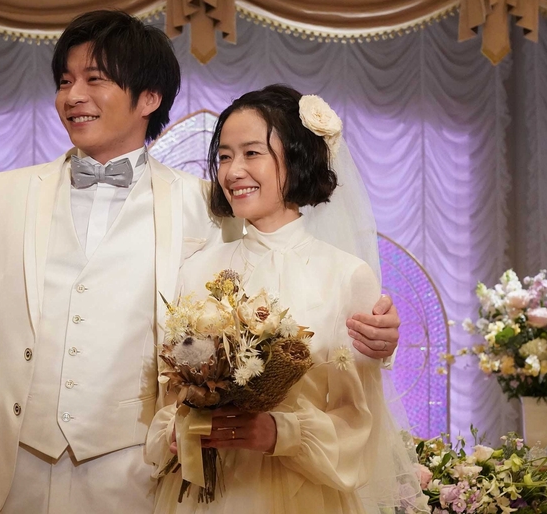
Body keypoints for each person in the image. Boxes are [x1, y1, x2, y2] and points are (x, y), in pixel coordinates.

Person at [0, 12, 401, 514]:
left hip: (139, 480)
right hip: (8, 472)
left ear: (149, 97)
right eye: (64, 81)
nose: (73, 96)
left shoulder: (209, 204)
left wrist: (378, 334)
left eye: (94, 79)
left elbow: (284, 291)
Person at [145, 85, 426, 514]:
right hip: (208, 495)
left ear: (295, 159)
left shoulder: (347, 276)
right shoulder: (197, 271)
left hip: (304, 492)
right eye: (224, 156)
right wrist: (178, 430)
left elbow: (359, 420)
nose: (233, 171)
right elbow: (170, 401)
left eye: (252, 153)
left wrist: (283, 433)